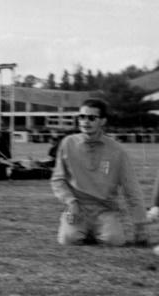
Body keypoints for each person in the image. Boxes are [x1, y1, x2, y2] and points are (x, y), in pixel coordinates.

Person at [51, 98, 147, 246]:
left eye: (91, 118)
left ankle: (98, 230)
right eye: (82, 117)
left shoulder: (117, 150)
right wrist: (71, 202)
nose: (85, 121)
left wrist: (140, 225)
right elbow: (58, 179)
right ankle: (83, 230)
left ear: (102, 121)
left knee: (114, 241)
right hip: (78, 208)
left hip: (105, 210)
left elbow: (131, 189)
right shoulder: (67, 143)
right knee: (68, 240)